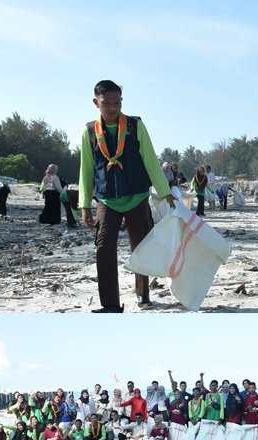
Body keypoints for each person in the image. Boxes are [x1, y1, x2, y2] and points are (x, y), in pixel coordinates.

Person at [78, 79, 175, 313]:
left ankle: (143, 295)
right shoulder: (90, 132)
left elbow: (151, 160)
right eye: (106, 103)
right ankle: (110, 305)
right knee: (103, 248)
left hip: (137, 197)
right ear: (96, 103)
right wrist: (84, 205)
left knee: (141, 248)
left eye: (117, 103)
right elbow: (86, 169)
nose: (113, 108)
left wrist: (165, 193)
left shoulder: (134, 126)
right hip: (106, 200)